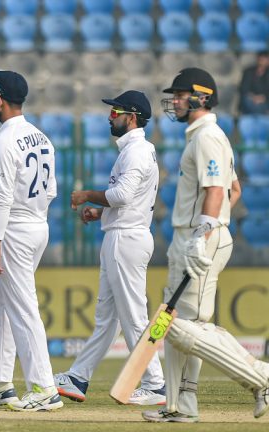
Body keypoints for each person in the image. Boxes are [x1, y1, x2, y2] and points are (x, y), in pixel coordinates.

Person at [143, 68, 268, 423]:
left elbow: (218, 192)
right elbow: (234, 189)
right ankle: (181, 404)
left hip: (199, 239)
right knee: (182, 325)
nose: (176, 100)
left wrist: (202, 236)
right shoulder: (202, 136)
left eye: (181, 94)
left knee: (182, 326)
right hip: (192, 236)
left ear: (201, 97)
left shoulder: (207, 137)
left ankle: (262, 377)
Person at [53, 90, 165, 406]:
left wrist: (87, 194)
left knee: (133, 317)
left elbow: (123, 196)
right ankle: (78, 377)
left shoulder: (137, 152)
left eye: (115, 112)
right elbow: (132, 201)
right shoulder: (138, 150)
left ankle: (156, 384)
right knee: (108, 319)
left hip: (126, 240)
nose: (109, 117)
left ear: (131, 116)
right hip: (123, 233)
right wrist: (100, 212)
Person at [0, 70, 62, 411]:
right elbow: (51, 189)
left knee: (23, 307)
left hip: (15, 230)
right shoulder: (41, 137)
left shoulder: (4, 141)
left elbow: (0, 198)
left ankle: (44, 388)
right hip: (38, 224)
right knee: (4, 302)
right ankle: (1, 383)